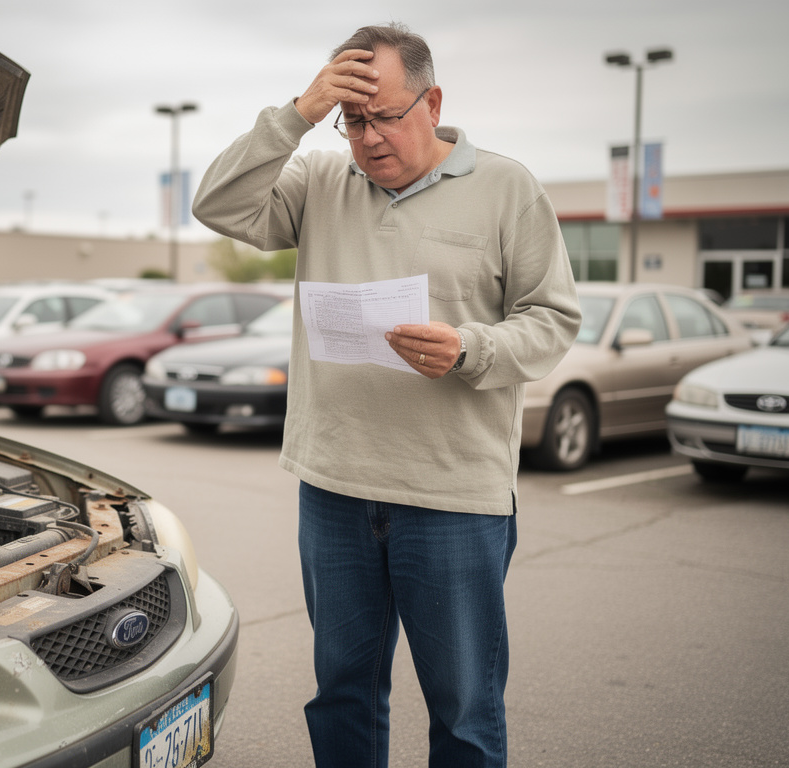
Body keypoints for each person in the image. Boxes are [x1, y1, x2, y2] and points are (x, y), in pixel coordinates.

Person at [192, 22, 581, 768]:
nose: (368, 139)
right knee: (341, 690)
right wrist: (298, 116)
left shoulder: (507, 188)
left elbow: (554, 321)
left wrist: (472, 347)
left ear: (433, 102)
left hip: (453, 496)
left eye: (387, 117)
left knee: (463, 707)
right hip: (334, 487)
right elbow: (217, 204)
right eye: (353, 120)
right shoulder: (318, 180)